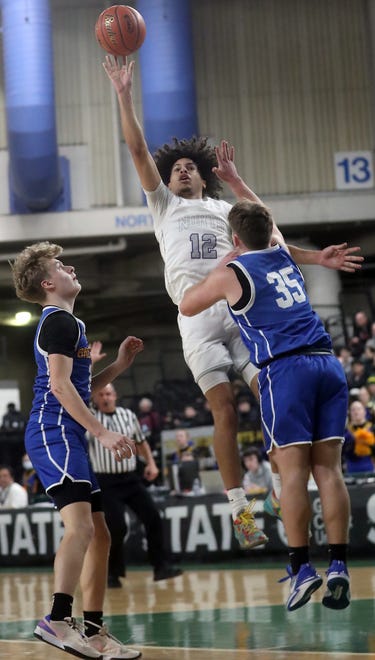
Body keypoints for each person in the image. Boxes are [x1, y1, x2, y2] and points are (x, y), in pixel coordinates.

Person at [103, 55, 362, 551]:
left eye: (189, 168)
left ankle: (278, 486)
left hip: (244, 312)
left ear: (203, 178)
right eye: (175, 169)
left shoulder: (226, 210)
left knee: (274, 392)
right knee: (223, 409)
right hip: (198, 317)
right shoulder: (164, 206)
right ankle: (240, 505)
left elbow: (271, 242)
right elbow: (136, 147)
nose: (181, 172)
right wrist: (123, 94)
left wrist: (317, 259)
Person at [180, 199, 352, 612]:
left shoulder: (233, 270)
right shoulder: (280, 249)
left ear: (236, 239)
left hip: (285, 371)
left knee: (292, 474)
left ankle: (302, 569)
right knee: (328, 469)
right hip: (328, 364)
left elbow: (186, 304)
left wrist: (226, 259)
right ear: (268, 229)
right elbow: (266, 218)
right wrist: (238, 182)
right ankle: (340, 564)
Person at [11, 241, 143, 660]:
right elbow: (60, 387)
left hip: (67, 433)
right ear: (49, 283)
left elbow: (81, 386)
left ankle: (92, 630)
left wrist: (118, 366)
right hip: (53, 432)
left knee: (101, 534)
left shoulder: (70, 324)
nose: (70, 267)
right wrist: (103, 433)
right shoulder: (58, 323)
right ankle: (56, 619)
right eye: (61, 266)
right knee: (82, 529)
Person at [88, 382, 183, 587]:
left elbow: (141, 442)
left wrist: (150, 463)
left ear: (115, 396)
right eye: (101, 394)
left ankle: (161, 567)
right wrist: (91, 363)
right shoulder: (91, 417)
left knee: (153, 518)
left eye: (109, 393)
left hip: (130, 478)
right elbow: (82, 392)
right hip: (105, 482)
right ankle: (113, 573)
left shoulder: (128, 415)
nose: (105, 397)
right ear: (95, 398)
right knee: (117, 527)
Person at [343, 400, 375, 474]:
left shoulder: (372, 429)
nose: (356, 412)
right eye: (353, 410)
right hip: (351, 469)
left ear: (364, 411)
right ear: (350, 413)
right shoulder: (345, 431)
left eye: (359, 409)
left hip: (371, 468)